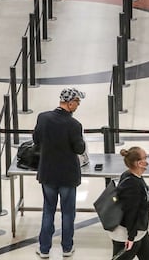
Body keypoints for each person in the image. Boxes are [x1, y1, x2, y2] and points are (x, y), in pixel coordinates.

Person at [33, 88, 87, 258]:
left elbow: (36, 139)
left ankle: (44, 249)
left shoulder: (43, 118)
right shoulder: (74, 125)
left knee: (48, 210)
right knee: (68, 212)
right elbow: (79, 148)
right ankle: (67, 247)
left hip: (48, 173)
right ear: (70, 103)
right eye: (77, 102)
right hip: (68, 176)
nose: (78, 105)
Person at [110, 147, 149, 260]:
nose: (148, 160)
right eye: (145, 157)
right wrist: (131, 238)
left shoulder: (131, 175)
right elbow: (131, 213)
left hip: (140, 230)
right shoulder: (132, 185)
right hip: (127, 234)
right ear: (139, 163)